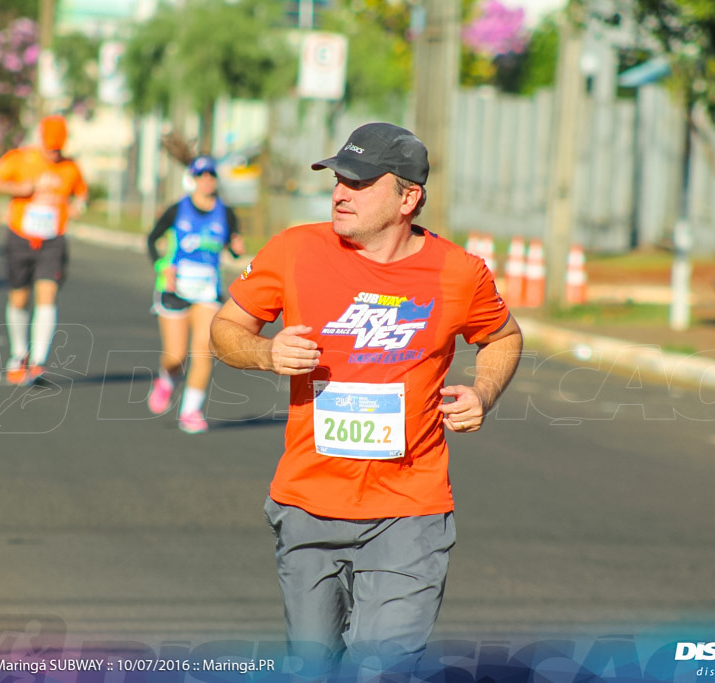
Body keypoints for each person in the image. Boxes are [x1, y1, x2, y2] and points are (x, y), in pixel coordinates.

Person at [209, 122, 522, 678]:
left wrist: (483, 391)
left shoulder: (458, 272)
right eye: (337, 179)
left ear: (408, 197)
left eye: (358, 182)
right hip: (308, 500)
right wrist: (266, 353)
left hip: (410, 508)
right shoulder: (295, 250)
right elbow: (226, 328)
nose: (339, 193)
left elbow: (502, 336)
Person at [0, 114, 88, 386]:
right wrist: (17, 188)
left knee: (47, 293)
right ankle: (19, 355)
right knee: (19, 298)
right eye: (49, 146)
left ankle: (39, 361)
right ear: (41, 139)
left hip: (53, 240)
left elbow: (81, 193)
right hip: (20, 237)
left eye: (57, 146)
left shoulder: (70, 168)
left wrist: (78, 206)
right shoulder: (20, 159)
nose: (53, 151)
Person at [144, 155, 244, 433]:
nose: (207, 180)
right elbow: (152, 239)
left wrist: (237, 247)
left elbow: (234, 247)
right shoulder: (178, 209)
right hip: (175, 289)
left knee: (203, 351)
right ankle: (167, 378)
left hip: (207, 291)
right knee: (175, 356)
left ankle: (191, 410)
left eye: (211, 175)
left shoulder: (226, 213)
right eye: (202, 176)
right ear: (194, 179)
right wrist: (163, 268)